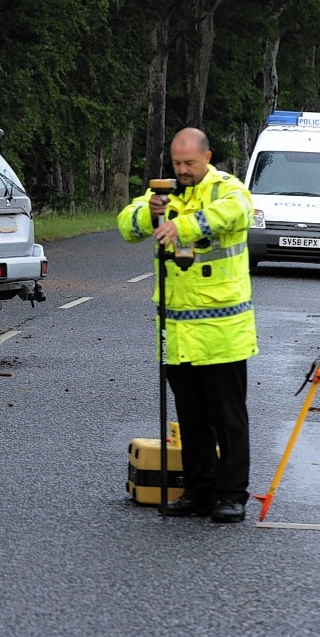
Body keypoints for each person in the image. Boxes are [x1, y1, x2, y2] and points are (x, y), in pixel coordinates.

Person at [117, 127, 258, 523]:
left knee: (228, 418)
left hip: (223, 332)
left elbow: (239, 212)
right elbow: (127, 226)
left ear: (207, 157)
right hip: (176, 332)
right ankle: (199, 491)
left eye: (190, 163)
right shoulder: (165, 193)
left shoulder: (225, 189)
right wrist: (151, 212)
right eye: (177, 163)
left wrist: (185, 226)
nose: (183, 170)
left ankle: (232, 495)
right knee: (192, 418)